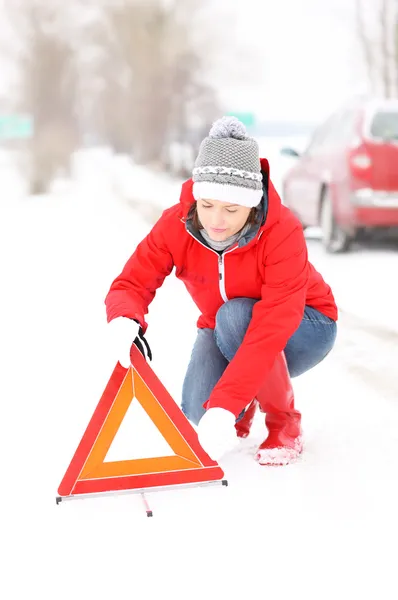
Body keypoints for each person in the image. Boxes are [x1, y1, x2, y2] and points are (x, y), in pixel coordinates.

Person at [105, 116, 338, 466]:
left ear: (253, 205)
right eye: (207, 205)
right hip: (223, 326)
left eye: (232, 209)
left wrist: (226, 402)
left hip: (305, 326)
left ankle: (284, 422)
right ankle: (247, 396)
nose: (216, 220)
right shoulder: (176, 225)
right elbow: (132, 282)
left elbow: (274, 322)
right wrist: (124, 317)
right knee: (198, 413)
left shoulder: (281, 231)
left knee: (237, 317)